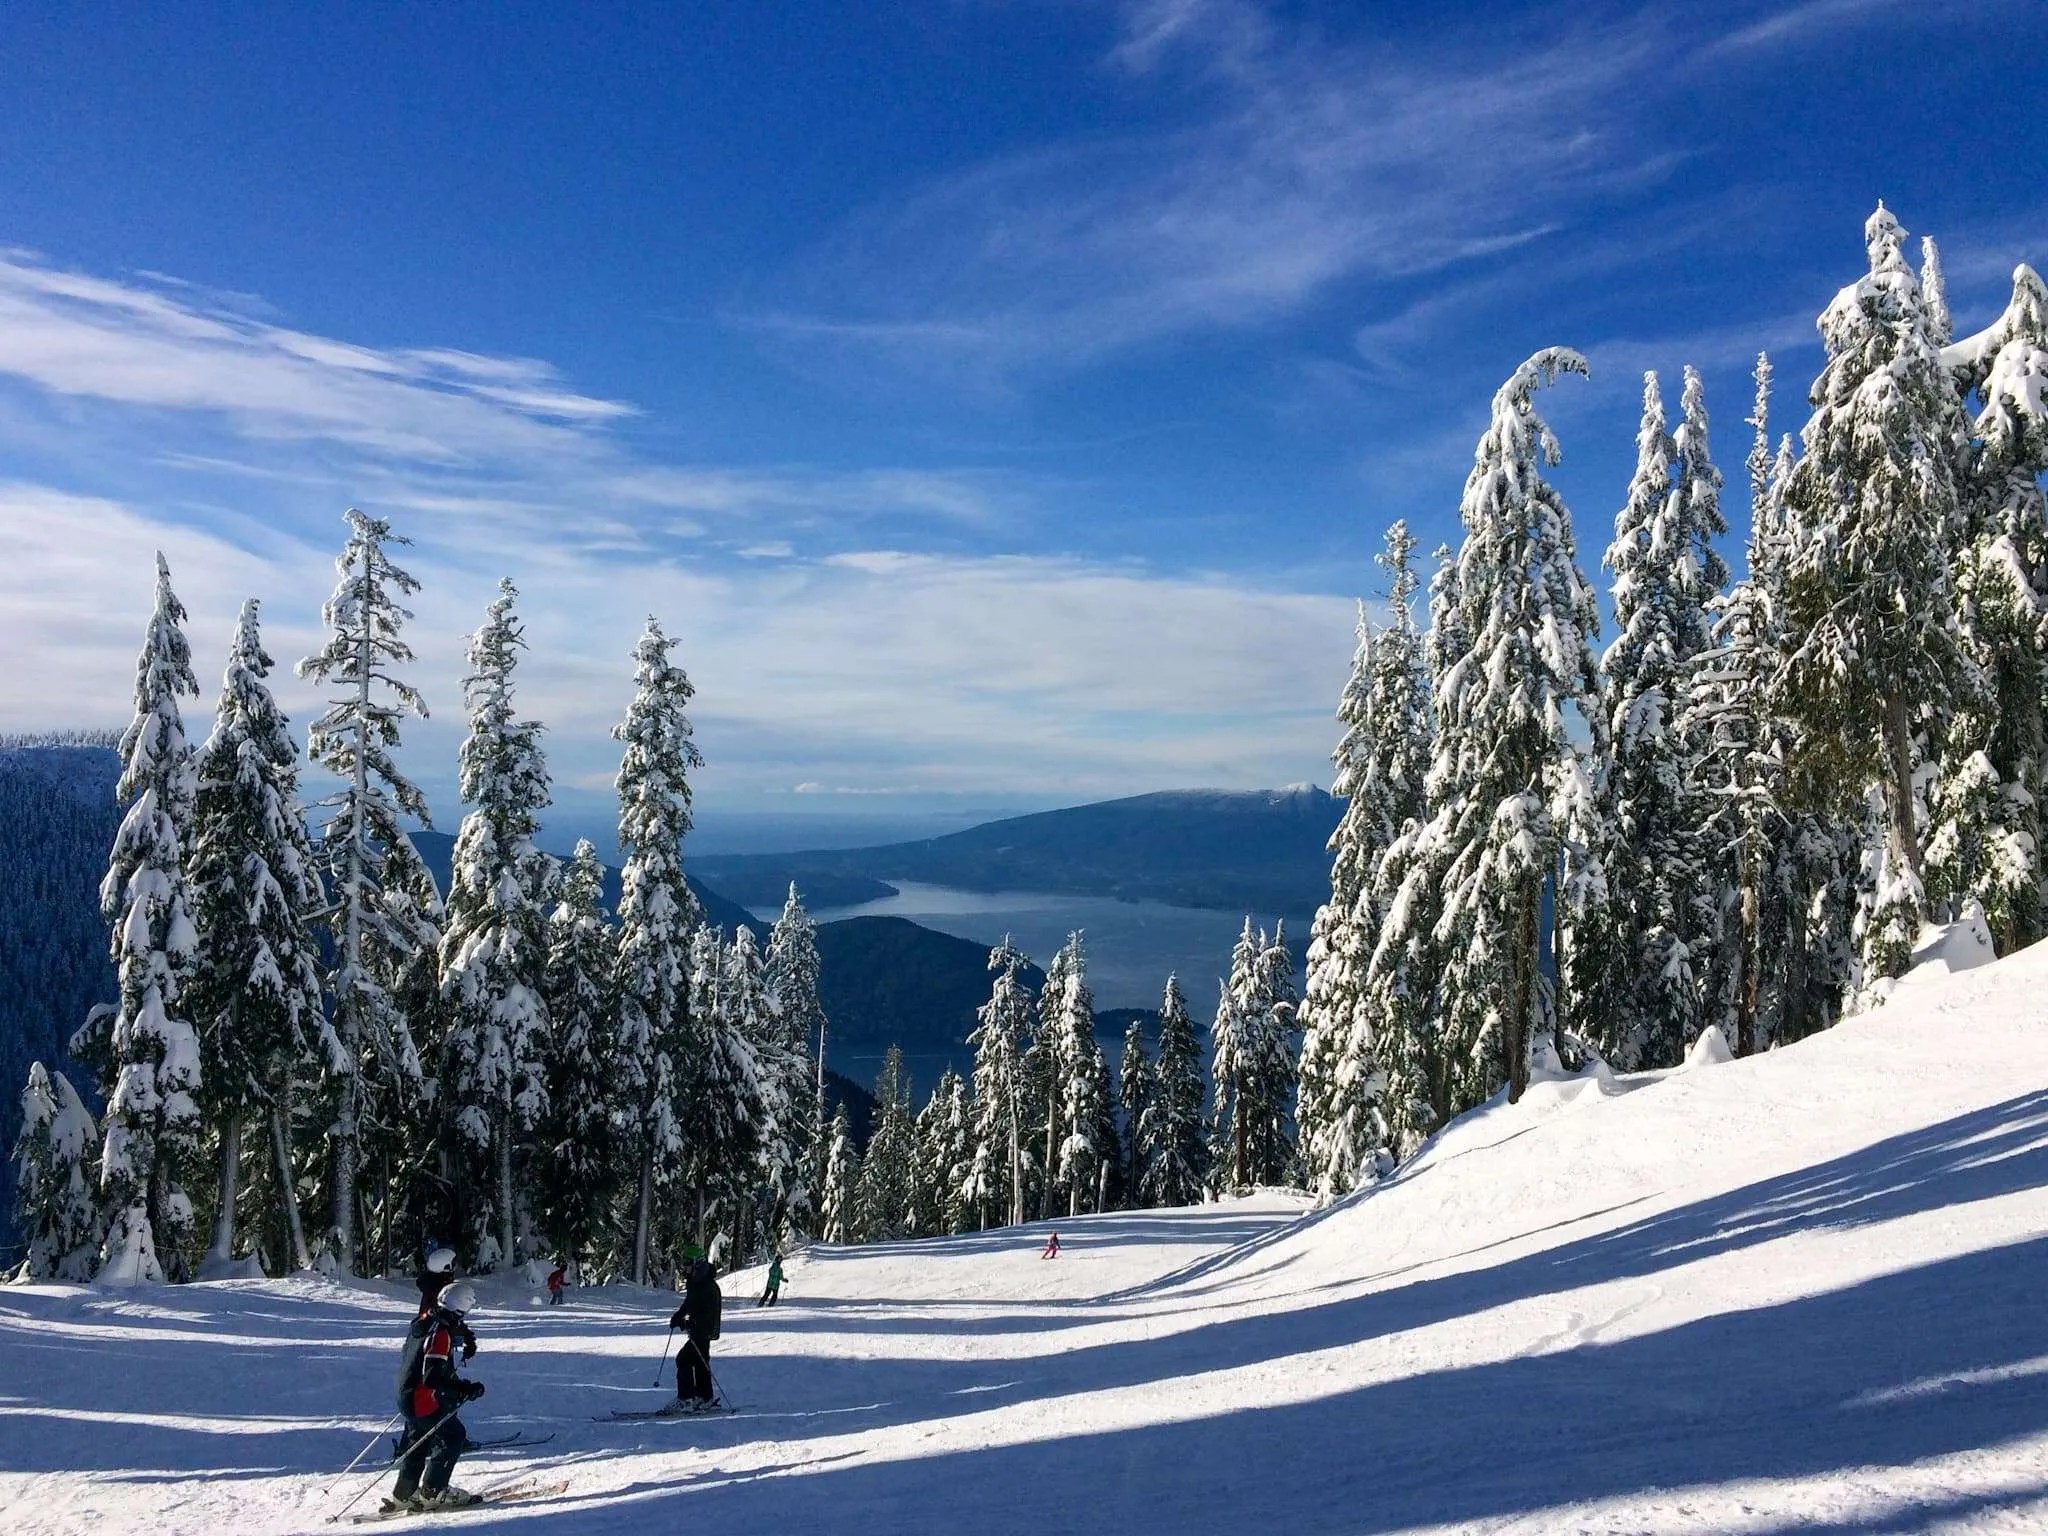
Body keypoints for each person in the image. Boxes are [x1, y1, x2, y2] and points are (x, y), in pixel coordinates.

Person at [388, 1280, 487, 1512]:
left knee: (418, 1440)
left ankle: (404, 1493)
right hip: (422, 1399)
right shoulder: (440, 1334)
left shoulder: (423, 1321)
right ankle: (434, 1490)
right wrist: (463, 1389)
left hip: (406, 1393)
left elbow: (426, 1362)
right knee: (453, 1435)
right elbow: (432, 1378)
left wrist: (466, 1337)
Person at [667, 1248, 723, 1409]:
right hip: (698, 1330)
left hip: (705, 1330)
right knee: (700, 1362)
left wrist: (689, 1324)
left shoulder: (707, 1286)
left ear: (696, 1264)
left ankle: (686, 1399)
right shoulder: (696, 1281)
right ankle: (704, 1397)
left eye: (687, 1264)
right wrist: (679, 1315)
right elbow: (690, 1302)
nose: (684, 1268)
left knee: (684, 1359)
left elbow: (709, 1314)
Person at [416, 1246, 477, 1362]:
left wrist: (467, 1337)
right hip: (433, 1344)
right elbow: (447, 1316)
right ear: (445, 1266)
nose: (455, 1268)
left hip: (431, 1340)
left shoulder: (434, 1284)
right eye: (452, 1264)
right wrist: (467, 1338)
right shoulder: (438, 1290)